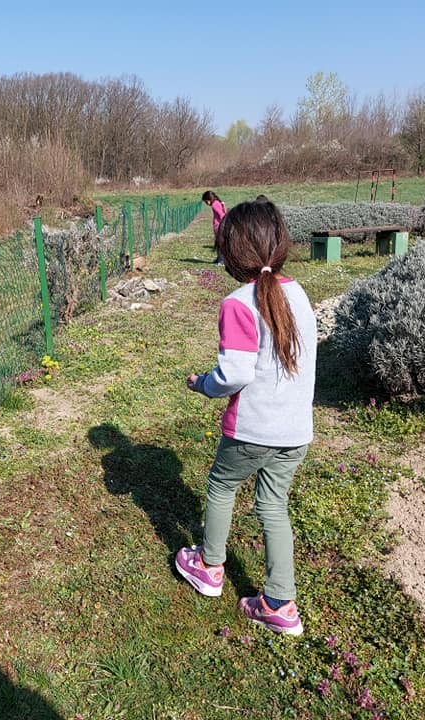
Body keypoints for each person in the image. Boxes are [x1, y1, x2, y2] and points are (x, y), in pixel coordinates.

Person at [175, 201, 316, 636]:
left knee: (221, 485)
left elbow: (234, 374)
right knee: (274, 507)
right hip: (295, 430)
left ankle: (209, 566)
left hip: (253, 428)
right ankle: (279, 603)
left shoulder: (238, 303)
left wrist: (204, 384)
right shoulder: (299, 293)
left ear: (233, 252)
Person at [201, 190, 227, 264]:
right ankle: (219, 259)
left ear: (209, 199)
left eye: (206, 202)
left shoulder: (214, 205)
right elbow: (224, 213)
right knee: (219, 243)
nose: (206, 203)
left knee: (220, 244)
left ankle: (222, 260)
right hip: (219, 226)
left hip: (219, 227)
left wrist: (222, 226)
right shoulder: (217, 203)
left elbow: (222, 215)